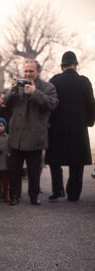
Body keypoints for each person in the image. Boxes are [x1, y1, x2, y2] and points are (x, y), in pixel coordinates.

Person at [4, 59, 58, 206]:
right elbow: (6, 104)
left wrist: (35, 93)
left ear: (38, 72)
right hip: (17, 136)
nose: (28, 74)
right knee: (14, 170)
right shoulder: (18, 86)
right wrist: (13, 90)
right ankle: (14, 196)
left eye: (31, 71)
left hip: (35, 136)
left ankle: (34, 196)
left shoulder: (48, 87)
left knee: (34, 171)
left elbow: (52, 104)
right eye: (26, 71)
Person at [45, 51, 95, 201]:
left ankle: (57, 190)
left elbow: (49, 104)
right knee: (77, 162)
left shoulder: (54, 80)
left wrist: (48, 123)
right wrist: (89, 122)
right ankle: (73, 194)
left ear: (62, 67)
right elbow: (91, 105)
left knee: (55, 160)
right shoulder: (84, 81)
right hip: (78, 127)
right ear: (76, 65)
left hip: (57, 127)